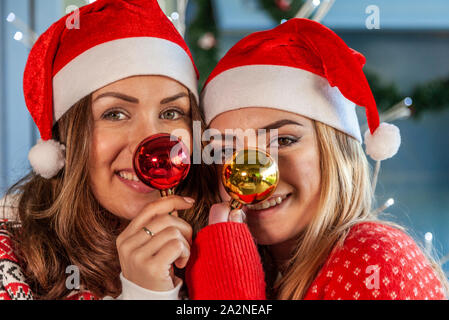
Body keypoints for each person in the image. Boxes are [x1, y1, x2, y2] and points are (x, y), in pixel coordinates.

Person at [185, 18, 449, 300]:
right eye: (227, 151)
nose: (252, 176)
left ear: (335, 151)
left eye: (283, 141)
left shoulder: (376, 260)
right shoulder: (237, 263)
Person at [0, 0, 217, 300]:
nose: (150, 143)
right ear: (68, 138)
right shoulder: (9, 259)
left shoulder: (225, 240)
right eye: (115, 114)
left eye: (170, 113)